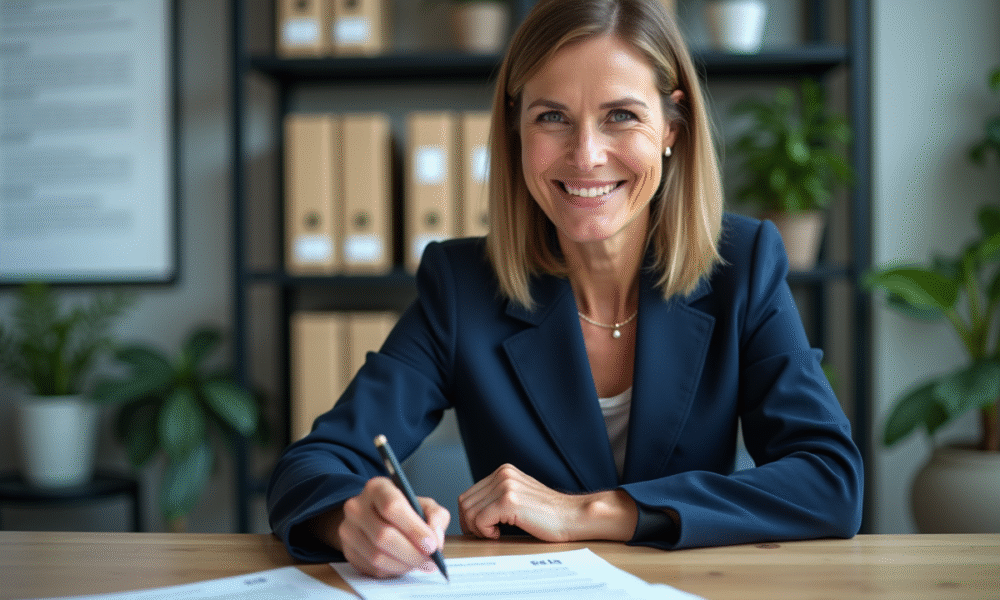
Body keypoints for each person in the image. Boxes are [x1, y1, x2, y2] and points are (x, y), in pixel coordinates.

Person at [267, 0, 864, 578]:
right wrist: (350, 520)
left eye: (621, 116)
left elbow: (828, 480)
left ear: (672, 127)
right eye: (552, 117)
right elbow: (313, 465)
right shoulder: (463, 286)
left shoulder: (742, 265)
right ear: (516, 130)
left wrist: (592, 512)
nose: (586, 155)